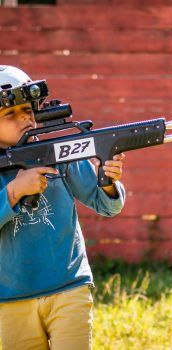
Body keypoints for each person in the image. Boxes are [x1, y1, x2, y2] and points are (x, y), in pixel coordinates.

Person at [0, 65, 126, 350]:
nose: (25, 119)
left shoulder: (60, 151)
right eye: (10, 114)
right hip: (11, 299)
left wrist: (107, 181)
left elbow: (106, 206)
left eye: (29, 111)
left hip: (69, 287)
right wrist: (14, 190)